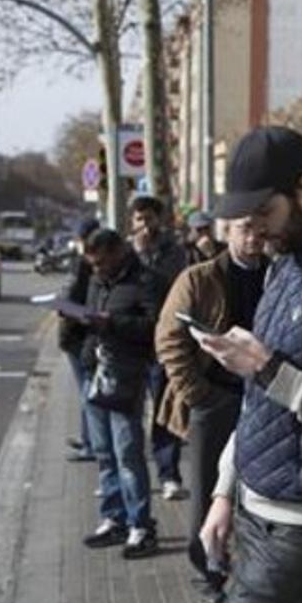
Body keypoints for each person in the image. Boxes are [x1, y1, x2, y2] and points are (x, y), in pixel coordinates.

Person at [194, 125, 302, 603]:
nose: (256, 236)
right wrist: (225, 492)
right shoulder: (283, 264)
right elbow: (257, 401)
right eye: (245, 224)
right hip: (256, 511)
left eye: (264, 218)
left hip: (300, 530)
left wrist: (269, 368)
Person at [154, 216, 268, 603]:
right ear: (227, 232)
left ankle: (250, 571)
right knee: (207, 490)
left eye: (259, 231)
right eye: (244, 229)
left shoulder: (276, 275)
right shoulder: (199, 278)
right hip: (215, 400)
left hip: (263, 397)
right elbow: (169, 338)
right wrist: (198, 395)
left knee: (257, 492)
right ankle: (210, 572)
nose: (253, 238)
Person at [79, 228, 160, 559]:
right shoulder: (98, 280)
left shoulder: (146, 279)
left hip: (127, 374)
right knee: (103, 451)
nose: (96, 270)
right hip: (96, 372)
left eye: (100, 263)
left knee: (128, 452)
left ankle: (140, 524)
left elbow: (155, 327)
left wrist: (112, 322)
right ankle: (114, 518)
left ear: (118, 252)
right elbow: (90, 318)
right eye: (92, 264)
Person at [130, 195, 189, 500]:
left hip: (160, 343)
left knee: (163, 411)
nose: (144, 225)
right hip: (130, 343)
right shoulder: (125, 251)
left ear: (159, 220)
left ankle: (169, 474)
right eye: (139, 219)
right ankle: (127, 478)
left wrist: (145, 259)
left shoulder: (173, 252)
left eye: (149, 218)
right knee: (127, 414)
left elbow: (174, 285)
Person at [59, 217, 100, 462]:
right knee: (85, 391)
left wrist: (65, 307)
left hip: (81, 337)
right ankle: (88, 439)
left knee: (88, 392)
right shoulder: (81, 263)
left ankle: (92, 443)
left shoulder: (90, 266)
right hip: (74, 336)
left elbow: (85, 303)